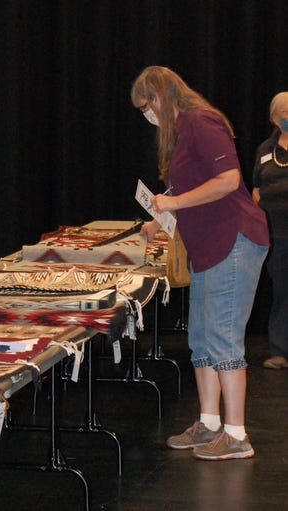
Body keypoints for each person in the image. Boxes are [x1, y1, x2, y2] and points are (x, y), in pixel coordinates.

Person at [131, 66, 269, 460]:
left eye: (146, 106)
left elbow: (228, 180)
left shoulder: (201, 121)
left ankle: (237, 434)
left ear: (158, 97)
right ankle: (209, 424)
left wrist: (171, 202)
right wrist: (157, 221)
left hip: (233, 239)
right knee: (202, 338)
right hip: (208, 246)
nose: (147, 115)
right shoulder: (181, 133)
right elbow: (188, 190)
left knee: (223, 337)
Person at [252, 92, 288, 370]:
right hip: (275, 233)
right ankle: (279, 350)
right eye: (285, 112)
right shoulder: (266, 149)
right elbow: (255, 187)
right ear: (275, 118)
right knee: (281, 292)